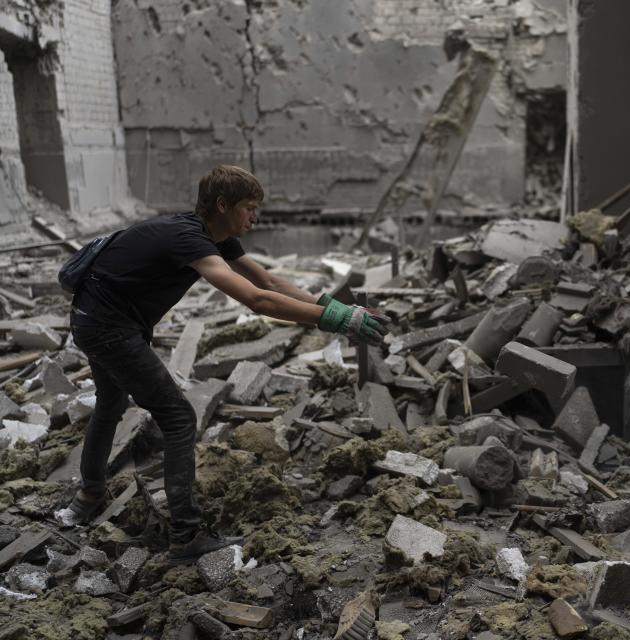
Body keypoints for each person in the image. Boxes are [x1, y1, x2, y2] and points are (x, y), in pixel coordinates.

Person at [55, 165, 387, 560]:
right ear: (222, 204)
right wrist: (335, 321)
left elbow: (271, 283)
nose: (255, 217)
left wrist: (339, 310)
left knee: (110, 404)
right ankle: (186, 537)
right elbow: (257, 302)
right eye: (249, 207)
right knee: (178, 418)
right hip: (108, 327)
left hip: (96, 319)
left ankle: (87, 497)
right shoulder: (188, 238)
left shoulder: (217, 237)